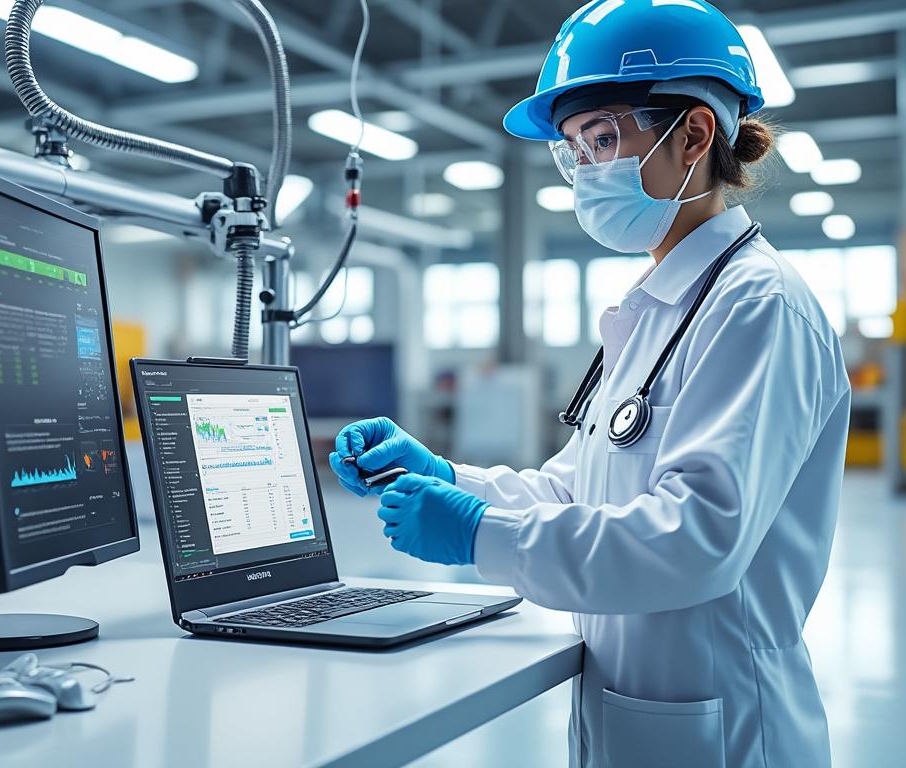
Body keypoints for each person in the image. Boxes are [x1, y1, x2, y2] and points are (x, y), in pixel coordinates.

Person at [330, 1, 850, 766]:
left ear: (695, 134)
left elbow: (696, 540)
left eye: (603, 137)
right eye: (575, 150)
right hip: (645, 712)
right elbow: (576, 496)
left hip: (729, 730)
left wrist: (480, 534)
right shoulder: (658, 310)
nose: (585, 170)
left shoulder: (757, 306)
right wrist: (447, 478)